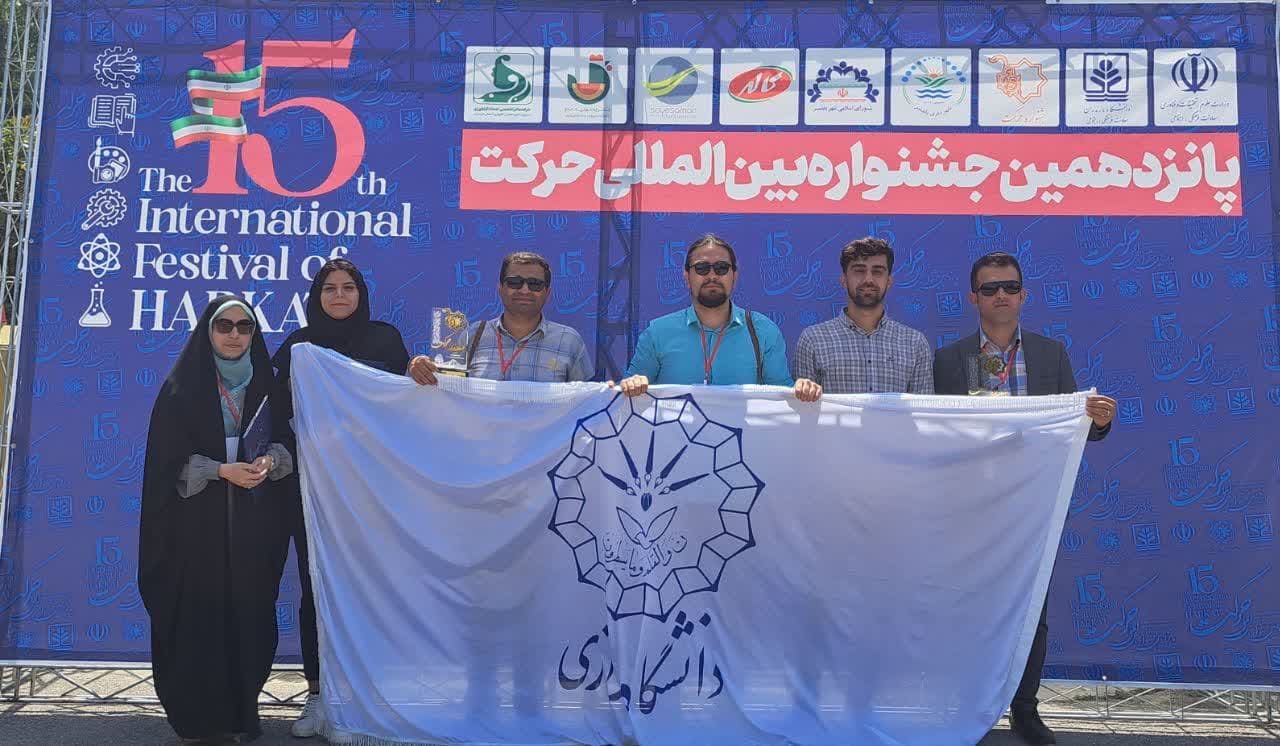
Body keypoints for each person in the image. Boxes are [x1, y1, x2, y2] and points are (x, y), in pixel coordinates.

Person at [933, 252, 1116, 746]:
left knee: (1031, 611)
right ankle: (968, 707)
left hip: (1034, 506)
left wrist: (1099, 421)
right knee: (968, 608)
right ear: (973, 297)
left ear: (1023, 295)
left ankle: (1025, 710)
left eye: (1009, 287)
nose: (1000, 296)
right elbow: (936, 433)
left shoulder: (1050, 354)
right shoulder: (949, 359)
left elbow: (1078, 427)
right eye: (990, 288)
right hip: (971, 508)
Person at [139, 296, 294, 744]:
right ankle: (197, 720)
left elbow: (288, 442)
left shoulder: (268, 383)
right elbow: (164, 463)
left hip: (252, 526)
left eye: (245, 327)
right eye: (224, 325)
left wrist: (270, 460)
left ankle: (242, 713)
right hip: (194, 529)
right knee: (197, 615)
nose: (234, 334)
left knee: (249, 614)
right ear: (208, 331)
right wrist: (219, 470)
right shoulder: (181, 387)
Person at [271, 258, 410, 742]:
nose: (339, 296)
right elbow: (277, 414)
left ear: (361, 294)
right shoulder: (299, 346)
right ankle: (317, 694)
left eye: (348, 287)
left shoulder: (385, 340)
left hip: (371, 488)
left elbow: (405, 405)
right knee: (316, 587)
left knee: (371, 586)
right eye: (329, 288)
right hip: (311, 487)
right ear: (316, 297)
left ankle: (371, 697)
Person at [616, 233, 821, 401]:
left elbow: (782, 397)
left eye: (722, 268)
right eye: (702, 268)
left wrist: (801, 391)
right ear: (687, 277)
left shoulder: (764, 331)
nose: (712, 276)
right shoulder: (657, 333)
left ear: (734, 276)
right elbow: (627, 393)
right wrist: (630, 385)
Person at [408, 251, 593, 384]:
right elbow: (439, 388)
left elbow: (587, 404)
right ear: (500, 288)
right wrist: (418, 369)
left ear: (547, 292)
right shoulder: (471, 336)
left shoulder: (569, 341)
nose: (524, 290)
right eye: (514, 282)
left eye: (535, 284)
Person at [792, 237, 933, 394]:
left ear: (889, 281)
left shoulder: (915, 344)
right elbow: (803, 406)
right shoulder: (813, 340)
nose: (868, 279)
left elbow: (923, 407)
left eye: (877, 272)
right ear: (844, 280)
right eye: (859, 271)